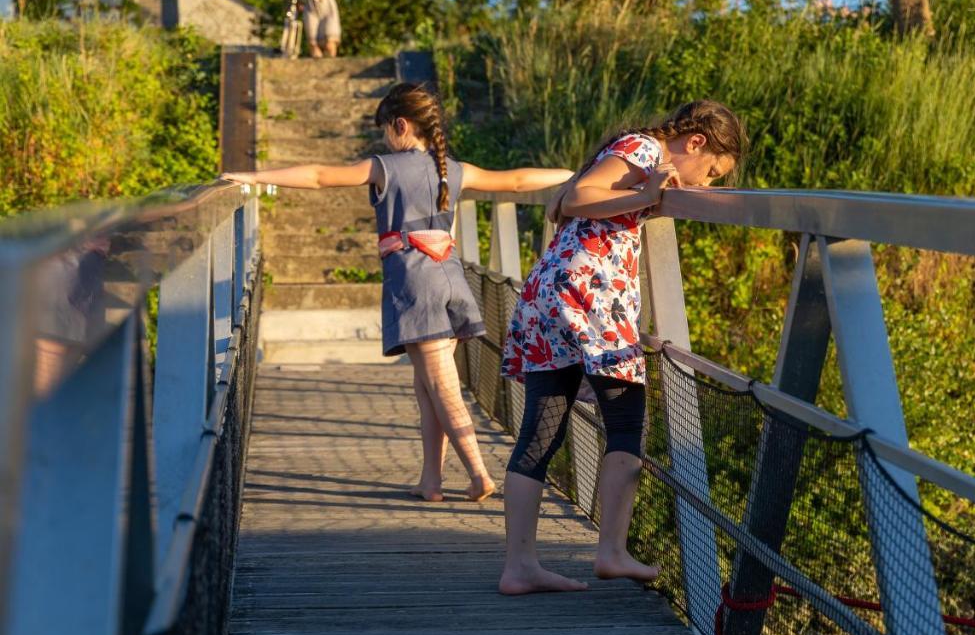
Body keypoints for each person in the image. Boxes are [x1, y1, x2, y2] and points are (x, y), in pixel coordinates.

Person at [224, 83, 573, 502]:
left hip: (414, 281)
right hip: (448, 275)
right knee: (426, 387)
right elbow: (517, 181)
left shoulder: (384, 167)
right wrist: (577, 175)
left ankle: (479, 474)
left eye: (385, 129)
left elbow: (318, 176)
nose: (383, 139)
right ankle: (431, 481)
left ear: (401, 125)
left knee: (441, 386)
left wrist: (254, 176)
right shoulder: (454, 169)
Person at [498, 100, 747, 594]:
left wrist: (643, 195)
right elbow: (578, 198)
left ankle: (519, 566)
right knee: (629, 423)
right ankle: (610, 551)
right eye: (713, 171)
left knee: (541, 431)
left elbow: (578, 195)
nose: (707, 184)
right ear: (695, 143)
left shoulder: (631, 149)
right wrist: (648, 194)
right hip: (590, 296)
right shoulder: (644, 149)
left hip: (555, 293)